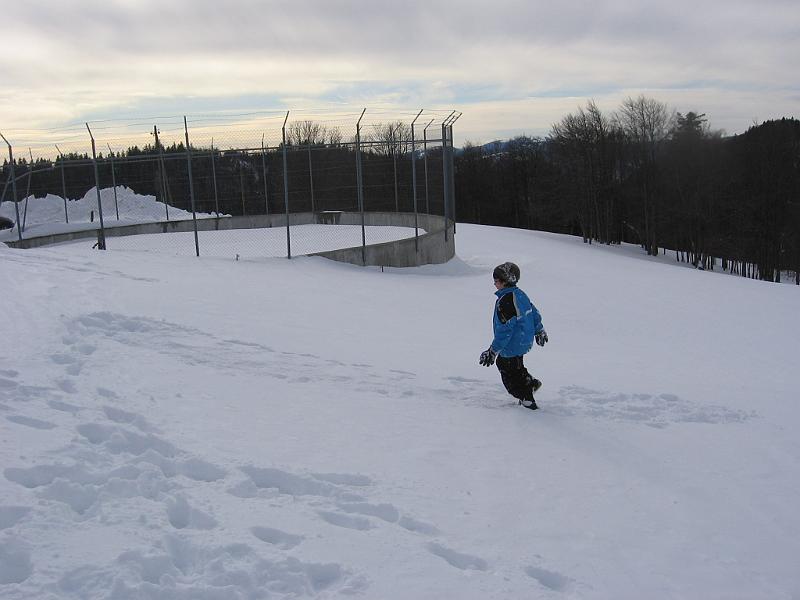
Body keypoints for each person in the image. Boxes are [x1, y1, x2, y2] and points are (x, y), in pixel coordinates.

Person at [479, 262, 548, 410]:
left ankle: (527, 398)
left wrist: (493, 351)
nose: (494, 283)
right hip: (523, 341)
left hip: (512, 343)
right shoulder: (520, 294)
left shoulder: (506, 302)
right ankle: (530, 383)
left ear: (505, 282)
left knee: (506, 368)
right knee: (516, 367)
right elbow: (533, 313)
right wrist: (539, 330)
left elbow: (505, 331)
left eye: (496, 281)